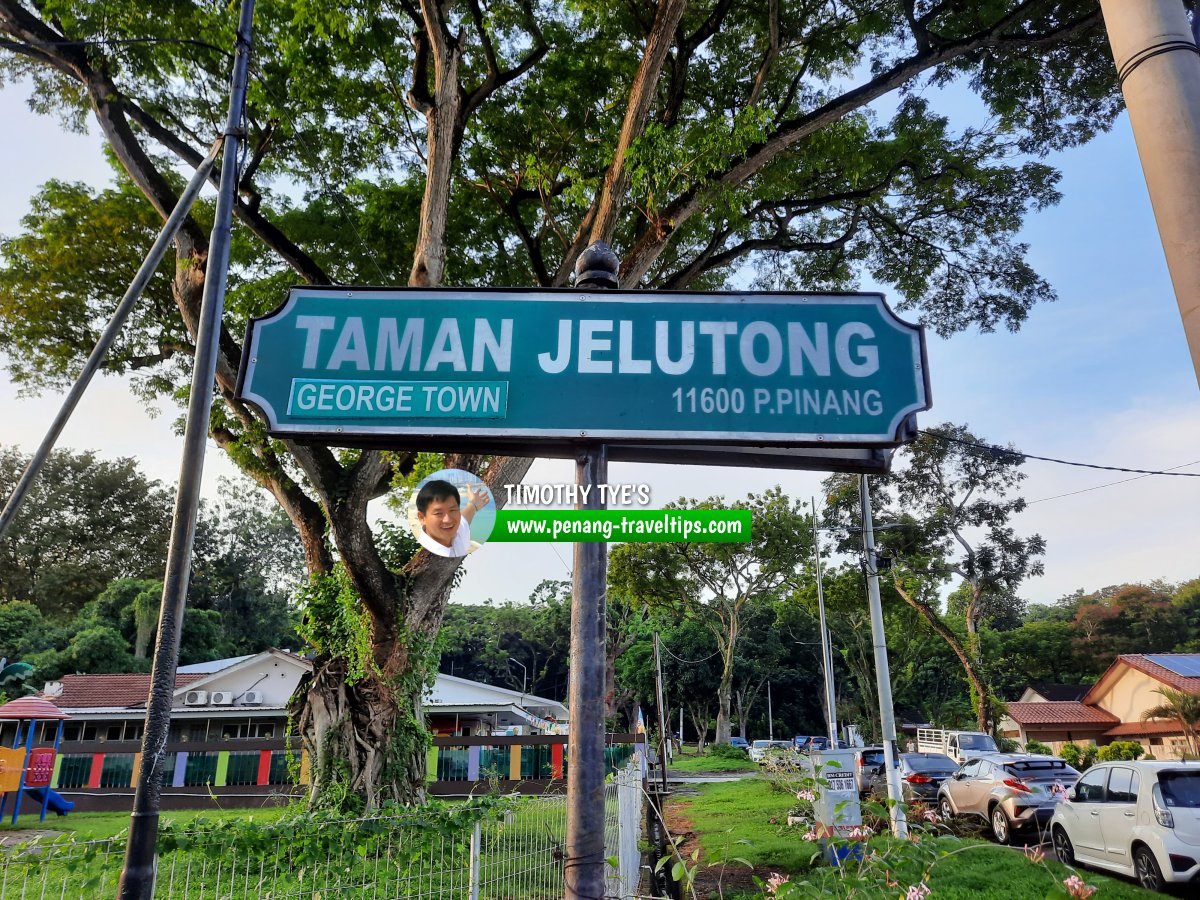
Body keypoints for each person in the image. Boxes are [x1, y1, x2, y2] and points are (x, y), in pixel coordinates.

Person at [414, 479, 490, 558]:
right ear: (422, 518)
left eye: (452, 510)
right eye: (438, 513)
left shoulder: (458, 533)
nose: (448, 520)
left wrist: (473, 504)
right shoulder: (426, 555)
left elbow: (464, 519)